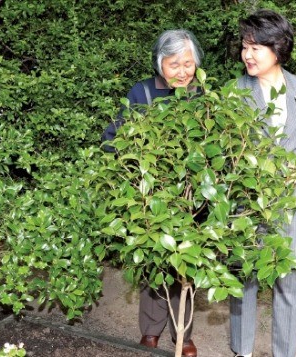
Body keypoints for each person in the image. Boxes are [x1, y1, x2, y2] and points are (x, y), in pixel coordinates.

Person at [229, 9, 296, 357]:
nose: (247, 54)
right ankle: (241, 351)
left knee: (289, 286)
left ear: (278, 48)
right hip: (249, 203)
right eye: (244, 46)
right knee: (245, 281)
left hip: (295, 201)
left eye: (255, 47)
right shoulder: (235, 91)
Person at [102, 29, 203, 357]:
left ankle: (183, 335)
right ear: (160, 63)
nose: (183, 72)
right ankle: (151, 331)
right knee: (154, 264)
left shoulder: (202, 95)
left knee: (186, 267)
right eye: (175, 64)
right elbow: (112, 139)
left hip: (191, 198)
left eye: (188, 64)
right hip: (152, 198)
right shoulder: (142, 92)